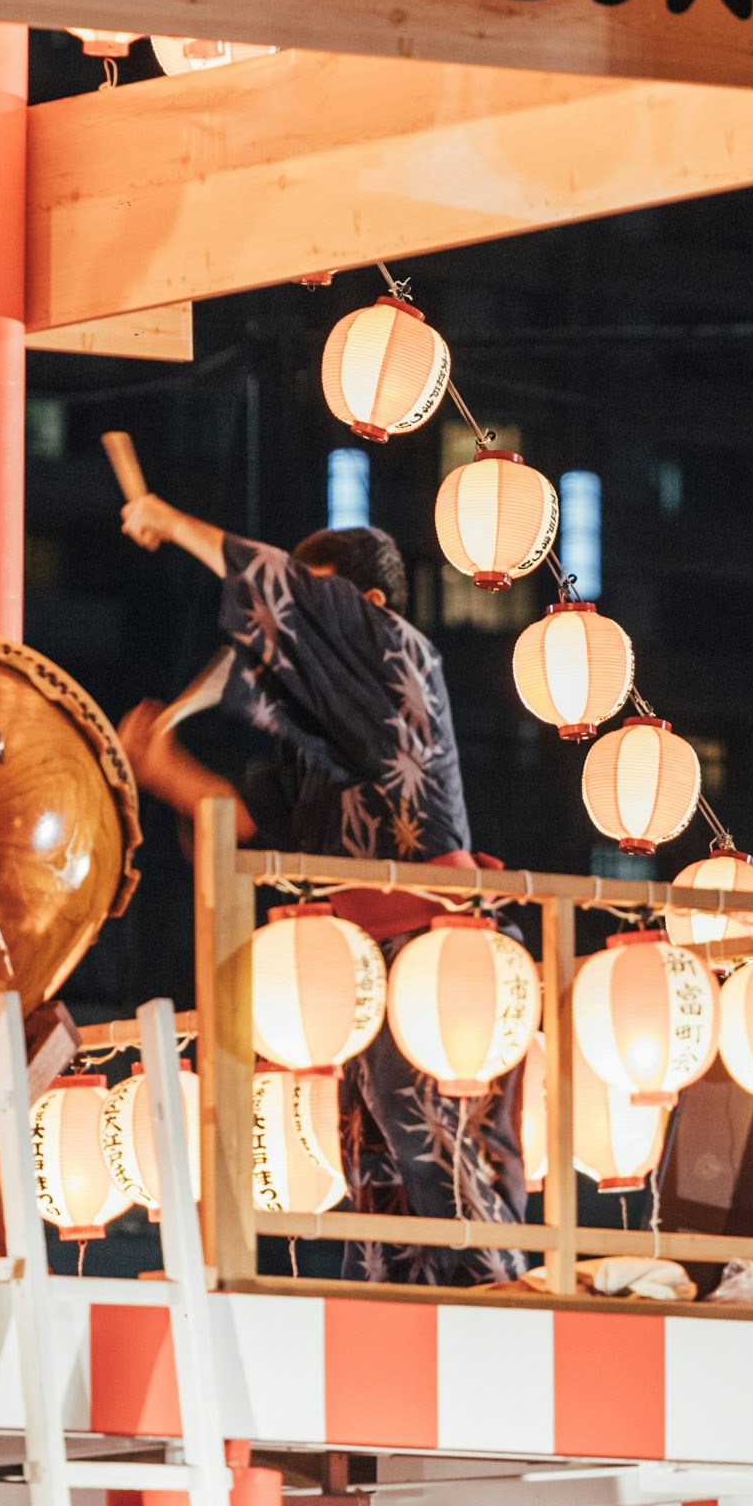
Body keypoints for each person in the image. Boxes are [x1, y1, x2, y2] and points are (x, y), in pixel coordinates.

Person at [117, 483, 525, 1286]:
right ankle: (401, 1313)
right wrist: (163, 771)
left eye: (318, 604)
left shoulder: (401, 653)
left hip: (436, 948)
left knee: (429, 1140)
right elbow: (239, 820)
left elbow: (290, 605)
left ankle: (497, 1291)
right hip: (361, 967)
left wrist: (175, 521)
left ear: (365, 607)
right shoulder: (321, 753)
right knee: (370, 1157)